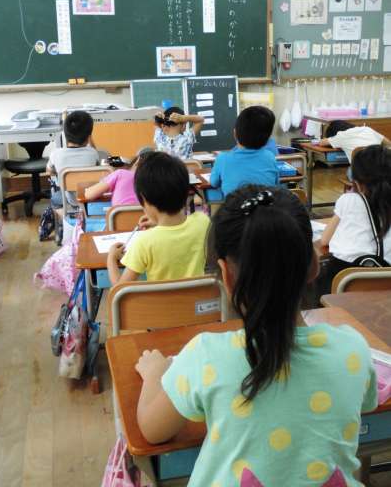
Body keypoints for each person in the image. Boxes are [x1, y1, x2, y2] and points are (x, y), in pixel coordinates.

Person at [135, 186, 377, 486]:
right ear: (314, 265)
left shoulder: (205, 355)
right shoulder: (352, 349)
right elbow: (366, 404)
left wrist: (154, 374)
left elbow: (152, 430)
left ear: (226, 276)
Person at [107, 151, 209, 285]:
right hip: (197, 298)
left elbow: (120, 289)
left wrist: (111, 259)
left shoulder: (144, 242)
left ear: (144, 200)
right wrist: (157, 222)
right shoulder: (203, 222)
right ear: (186, 192)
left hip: (158, 300)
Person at [320, 144, 391, 288]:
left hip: (344, 276)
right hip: (386, 279)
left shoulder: (349, 200)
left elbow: (325, 240)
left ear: (357, 181)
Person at [210, 105, 279, 197]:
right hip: (265, 205)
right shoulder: (270, 157)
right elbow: (275, 184)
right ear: (268, 138)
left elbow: (214, 183)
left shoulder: (222, 159)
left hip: (234, 206)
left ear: (235, 133)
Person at [47, 110, 99, 209]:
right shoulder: (93, 153)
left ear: (65, 135)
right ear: (88, 137)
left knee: (54, 199)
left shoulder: (55, 154)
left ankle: (63, 216)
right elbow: (95, 154)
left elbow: (49, 171)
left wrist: (58, 172)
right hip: (88, 197)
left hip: (68, 199)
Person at [84, 148, 153, 206]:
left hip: (119, 217)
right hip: (143, 217)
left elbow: (89, 195)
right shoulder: (156, 182)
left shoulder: (120, 174)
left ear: (137, 162)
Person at [319, 120, 390, 163]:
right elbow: (388, 143)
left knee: (349, 172)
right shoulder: (367, 129)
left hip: (363, 173)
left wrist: (328, 138)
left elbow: (321, 143)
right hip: (382, 165)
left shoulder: (341, 135)